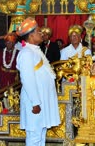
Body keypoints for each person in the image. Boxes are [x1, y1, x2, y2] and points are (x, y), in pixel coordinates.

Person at [16, 17, 60, 145]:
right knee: (34, 135)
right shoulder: (26, 53)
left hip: (41, 100)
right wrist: (35, 103)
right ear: (30, 36)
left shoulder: (34, 50)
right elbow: (27, 80)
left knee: (41, 134)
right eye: (38, 31)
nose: (41, 34)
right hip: (34, 102)